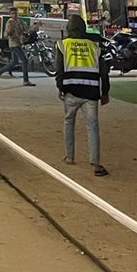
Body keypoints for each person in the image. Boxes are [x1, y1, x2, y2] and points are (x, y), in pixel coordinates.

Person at [55, 13, 109, 176]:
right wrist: (105, 92)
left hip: (71, 91)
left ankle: (70, 157)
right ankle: (95, 164)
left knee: (68, 122)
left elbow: (59, 70)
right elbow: (104, 72)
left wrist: (60, 88)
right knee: (92, 127)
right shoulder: (95, 46)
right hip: (91, 92)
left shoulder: (63, 45)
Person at [0, 9, 35, 86]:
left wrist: (34, 27)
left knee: (14, 62)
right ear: (10, 14)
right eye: (12, 13)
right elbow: (6, 33)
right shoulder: (10, 22)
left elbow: (26, 29)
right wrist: (10, 33)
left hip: (18, 43)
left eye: (15, 13)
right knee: (25, 61)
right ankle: (26, 81)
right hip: (14, 44)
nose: (14, 15)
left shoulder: (19, 21)